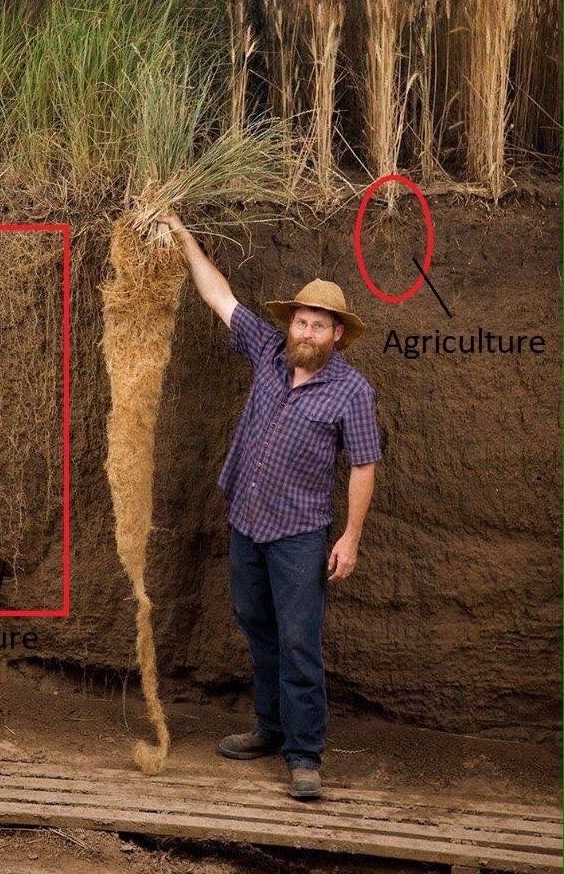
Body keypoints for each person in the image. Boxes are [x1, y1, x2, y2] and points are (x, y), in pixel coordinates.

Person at [157, 211, 382, 800]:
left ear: (337, 334)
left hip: (301, 536)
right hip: (246, 525)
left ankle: (304, 755)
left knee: (300, 639)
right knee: (257, 627)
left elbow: (363, 465)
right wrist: (183, 238)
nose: (305, 332)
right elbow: (219, 295)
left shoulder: (353, 392)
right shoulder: (266, 351)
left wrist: (351, 537)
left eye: (318, 326)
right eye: (301, 322)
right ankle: (270, 727)